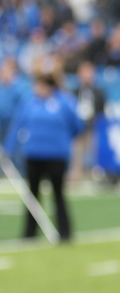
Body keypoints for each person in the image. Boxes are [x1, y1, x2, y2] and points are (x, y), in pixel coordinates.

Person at [4, 72, 83, 242]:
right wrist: (8, 148)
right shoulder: (30, 102)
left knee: (58, 194)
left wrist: (63, 141)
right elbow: (18, 124)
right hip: (33, 154)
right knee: (32, 195)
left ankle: (65, 233)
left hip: (56, 156)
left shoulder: (64, 102)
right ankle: (30, 233)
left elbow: (77, 125)